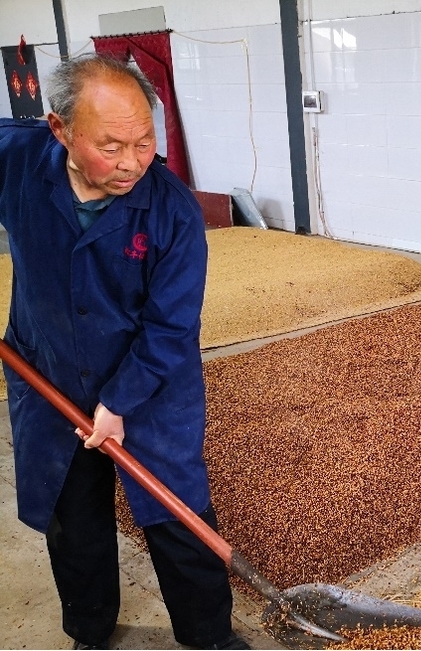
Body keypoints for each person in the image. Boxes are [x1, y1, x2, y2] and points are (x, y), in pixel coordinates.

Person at [0, 54, 249, 650]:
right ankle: (89, 628)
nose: (133, 161)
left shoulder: (173, 212)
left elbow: (170, 329)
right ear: (60, 130)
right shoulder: (17, 158)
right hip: (47, 371)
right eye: (111, 146)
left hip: (151, 387)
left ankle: (208, 636)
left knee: (178, 518)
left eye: (144, 141)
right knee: (74, 518)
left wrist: (117, 402)